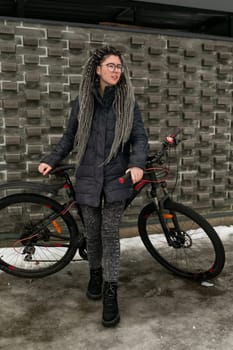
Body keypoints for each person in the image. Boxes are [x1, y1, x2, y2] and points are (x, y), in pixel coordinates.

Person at [38, 45, 148, 327]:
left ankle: (111, 291)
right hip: (87, 176)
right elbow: (69, 137)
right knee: (94, 234)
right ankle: (95, 274)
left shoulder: (127, 103)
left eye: (119, 67)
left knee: (110, 234)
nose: (116, 71)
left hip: (116, 177)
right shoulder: (83, 103)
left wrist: (136, 163)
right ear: (97, 69)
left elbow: (139, 138)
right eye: (110, 66)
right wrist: (52, 159)